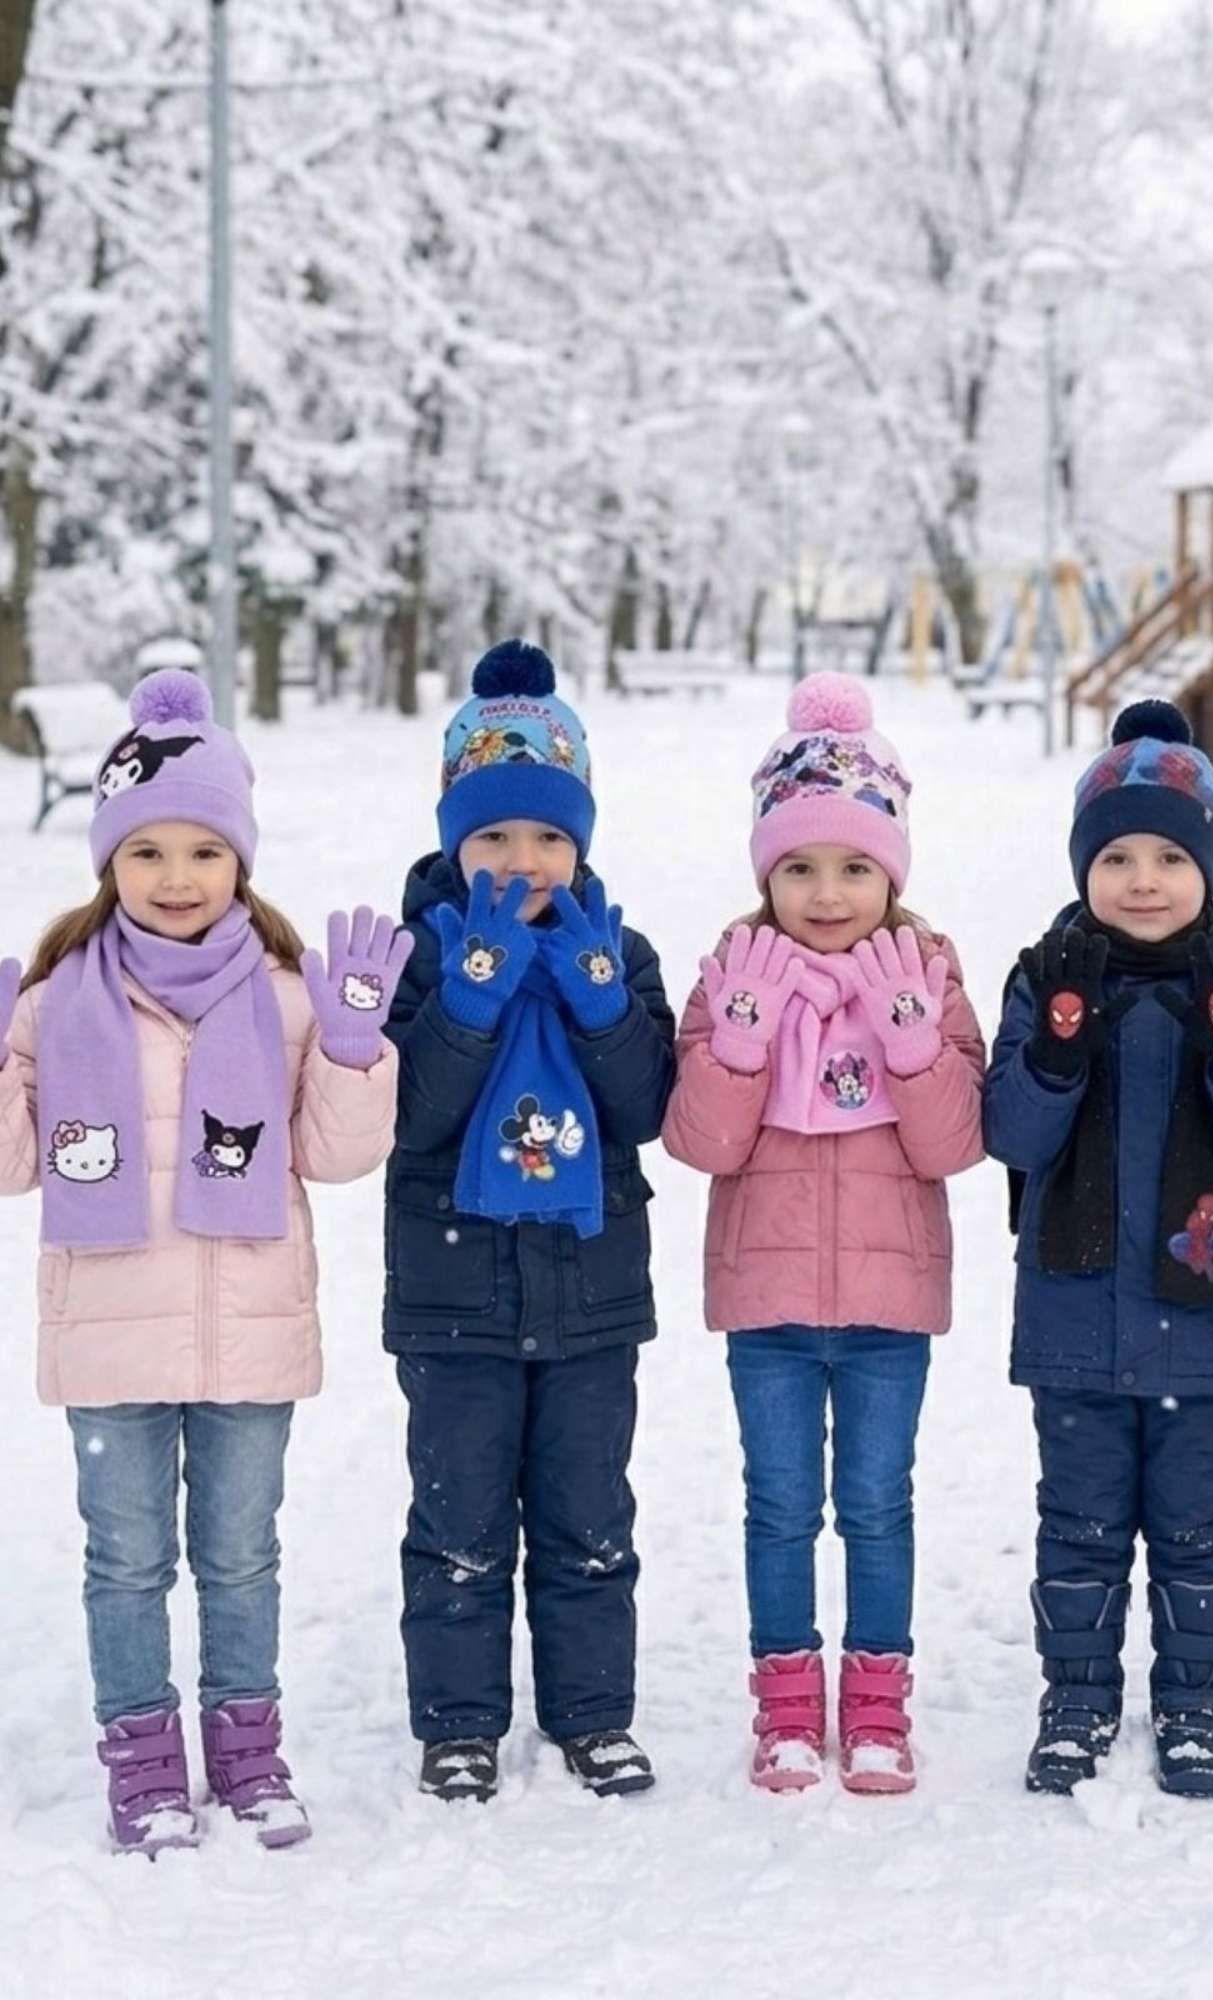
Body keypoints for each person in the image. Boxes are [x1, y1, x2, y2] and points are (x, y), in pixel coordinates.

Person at [0, 667, 404, 1855]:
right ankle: (141, 1764)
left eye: (203, 851)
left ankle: (247, 1753)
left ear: (241, 860)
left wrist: (352, 1044)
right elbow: (15, 1165)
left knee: (240, 1555)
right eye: (147, 853)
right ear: (107, 863)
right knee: (126, 1561)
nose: (176, 878)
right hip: (111, 1326)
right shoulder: (58, 999)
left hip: (247, 1326)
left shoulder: (284, 995)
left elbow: (335, 1156)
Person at [663, 671, 985, 1793]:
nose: (827, 890)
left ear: (891, 866)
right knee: (781, 1505)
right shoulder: (732, 973)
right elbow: (700, 1141)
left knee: (879, 1504)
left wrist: (912, 1041)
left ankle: (881, 1706)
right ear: (765, 869)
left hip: (892, 1305)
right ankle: (788, 1705)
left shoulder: (928, 974)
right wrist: (739, 1037)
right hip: (769, 1302)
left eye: (854, 865)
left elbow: (952, 1144)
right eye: (798, 865)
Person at [984, 698, 1213, 1798]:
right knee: (1076, 1524)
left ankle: (1193, 1704)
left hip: (1203, 1315)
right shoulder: (1046, 975)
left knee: (1197, 1527)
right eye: (1115, 854)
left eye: (1170, 854)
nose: (1141, 879)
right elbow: (1010, 1134)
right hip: (1074, 1314)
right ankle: (1074, 1700)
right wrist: (1060, 1042)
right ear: (1084, 864)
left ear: (1206, 865)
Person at [382, 640, 675, 1803]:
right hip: (454, 1295)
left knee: (589, 1516)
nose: (523, 859)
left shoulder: (619, 948)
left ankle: (593, 1714)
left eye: (548, 836)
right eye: (495, 835)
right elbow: (409, 1120)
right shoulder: (415, 955)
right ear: (455, 836)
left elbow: (645, 1107)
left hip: (592, 1291)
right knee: (456, 1521)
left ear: (581, 841)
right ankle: (458, 1720)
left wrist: (604, 1003)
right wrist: (466, 997)